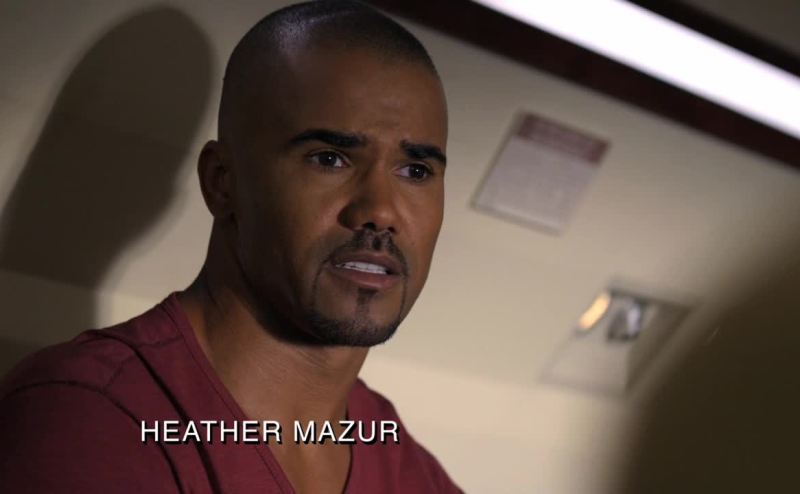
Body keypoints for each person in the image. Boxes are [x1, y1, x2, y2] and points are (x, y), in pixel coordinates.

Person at [0, 1, 462, 492]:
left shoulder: (403, 462)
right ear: (223, 182)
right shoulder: (93, 421)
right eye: (329, 159)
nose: (381, 210)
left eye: (415, 171)